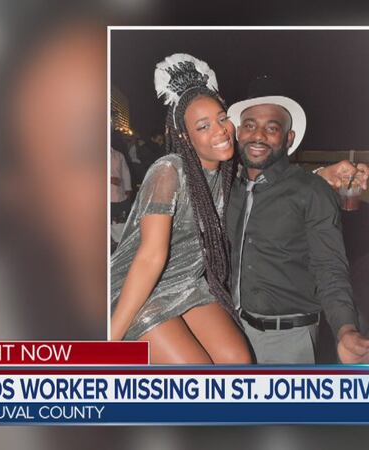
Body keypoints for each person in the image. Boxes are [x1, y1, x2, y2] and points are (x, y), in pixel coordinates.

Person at [110, 54, 251, 364]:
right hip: (143, 288)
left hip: (189, 284)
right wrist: (108, 341)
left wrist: (325, 175)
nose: (220, 130)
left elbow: (265, 185)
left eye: (222, 118)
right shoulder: (169, 172)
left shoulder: (230, 173)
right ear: (185, 136)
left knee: (238, 362)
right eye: (203, 126)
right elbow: (149, 258)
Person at [226, 81, 369, 364]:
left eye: (272, 128)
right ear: (238, 132)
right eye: (250, 125)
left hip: (289, 341)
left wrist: (346, 329)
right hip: (231, 333)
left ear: (288, 138)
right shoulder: (227, 187)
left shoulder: (311, 191)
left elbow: (329, 267)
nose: (258, 135)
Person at [110, 146, 133, 222]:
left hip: (119, 196)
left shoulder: (118, 155)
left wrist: (128, 189)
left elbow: (125, 173)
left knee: (119, 224)